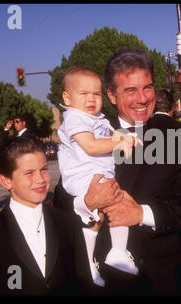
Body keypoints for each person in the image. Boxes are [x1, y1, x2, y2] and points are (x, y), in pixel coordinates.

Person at [54, 48, 181, 295]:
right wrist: (86, 202)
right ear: (112, 96)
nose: (143, 98)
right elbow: (61, 200)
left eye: (147, 88)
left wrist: (140, 214)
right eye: (130, 90)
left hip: (161, 279)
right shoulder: (88, 133)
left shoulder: (180, 137)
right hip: (104, 279)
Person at [0, 136, 104, 295]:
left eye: (44, 170)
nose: (40, 179)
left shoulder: (68, 222)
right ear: (6, 181)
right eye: (29, 173)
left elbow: (82, 280)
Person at [57, 66, 140, 286]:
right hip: (85, 176)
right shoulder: (75, 118)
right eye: (83, 94)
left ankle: (90, 262)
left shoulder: (98, 119)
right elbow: (91, 146)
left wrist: (126, 138)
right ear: (67, 97)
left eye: (96, 93)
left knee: (99, 218)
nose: (91, 99)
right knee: (119, 203)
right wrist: (120, 141)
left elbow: (115, 137)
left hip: (97, 174)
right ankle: (117, 252)